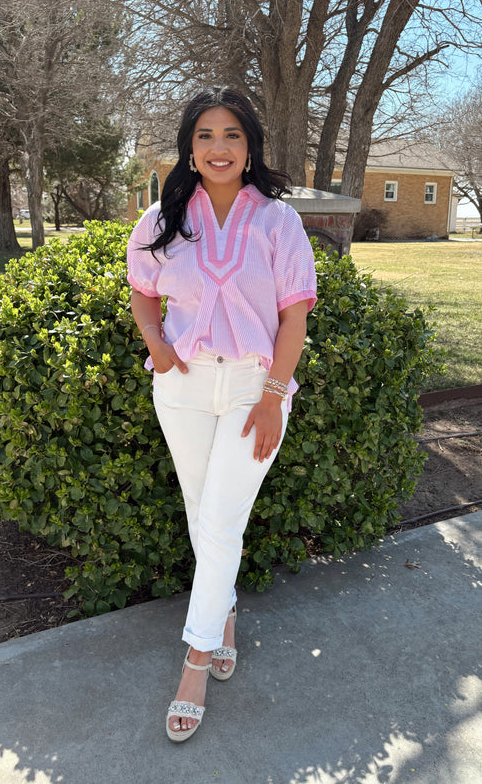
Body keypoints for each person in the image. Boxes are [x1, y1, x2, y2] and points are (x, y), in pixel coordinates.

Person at [127, 86, 317, 742]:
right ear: (189, 146)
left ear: (249, 146)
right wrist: (157, 347)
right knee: (201, 513)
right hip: (180, 387)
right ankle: (223, 614)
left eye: (231, 135)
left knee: (222, 516)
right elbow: (142, 291)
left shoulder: (277, 222)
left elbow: (292, 317)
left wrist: (272, 394)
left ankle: (197, 659)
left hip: (250, 387)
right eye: (205, 134)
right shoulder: (160, 218)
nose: (217, 147)